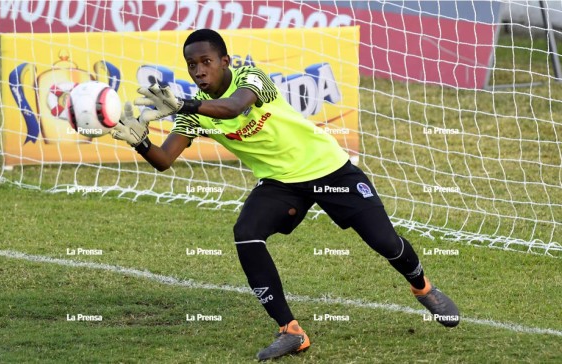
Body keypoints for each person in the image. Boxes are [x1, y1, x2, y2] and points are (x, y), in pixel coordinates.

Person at [111, 28, 459, 361]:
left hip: (329, 168)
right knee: (246, 233)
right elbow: (164, 160)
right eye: (192, 65)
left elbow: (233, 108)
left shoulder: (251, 79)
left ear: (225, 61)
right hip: (280, 182)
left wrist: (184, 104)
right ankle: (291, 331)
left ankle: (422, 287)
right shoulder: (195, 111)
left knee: (384, 242)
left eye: (206, 62)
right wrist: (141, 142)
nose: (199, 71)